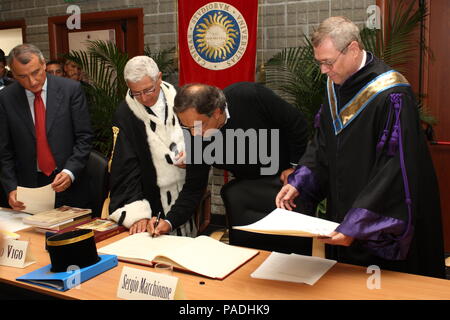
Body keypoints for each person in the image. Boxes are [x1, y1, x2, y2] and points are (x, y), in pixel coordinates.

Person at [275, 16, 445, 278]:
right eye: (319, 62)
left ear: (353, 49)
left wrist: (358, 225)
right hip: (344, 213)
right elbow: (322, 144)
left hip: (379, 218)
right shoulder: (335, 86)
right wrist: (300, 182)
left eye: (328, 62)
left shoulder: (391, 93)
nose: (323, 71)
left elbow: (395, 170)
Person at [148, 82, 312, 255]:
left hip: (285, 180)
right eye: (186, 126)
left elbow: (297, 124)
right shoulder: (196, 133)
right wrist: (169, 222)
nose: (194, 133)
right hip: (246, 187)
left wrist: (295, 166)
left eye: (200, 124)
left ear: (217, 113)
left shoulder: (249, 96)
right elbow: (193, 188)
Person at [0, 44, 93, 211]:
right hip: (29, 187)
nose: (32, 81)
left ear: (43, 64)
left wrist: (70, 172)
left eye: (36, 72)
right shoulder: (6, 98)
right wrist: (11, 187)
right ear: (13, 74)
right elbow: (4, 150)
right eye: (22, 76)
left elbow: (84, 138)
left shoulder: (70, 90)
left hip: (68, 181)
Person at [108, 56, 193, 236]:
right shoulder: (125, 113)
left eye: (149, 90)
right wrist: (137, 213)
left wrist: (193, 155)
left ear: (159, 78)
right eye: (136, 93)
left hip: (187, 192)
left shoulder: (184, 99)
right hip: (150, 196)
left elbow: (202, 135)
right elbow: (125, 167)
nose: (144, 98)